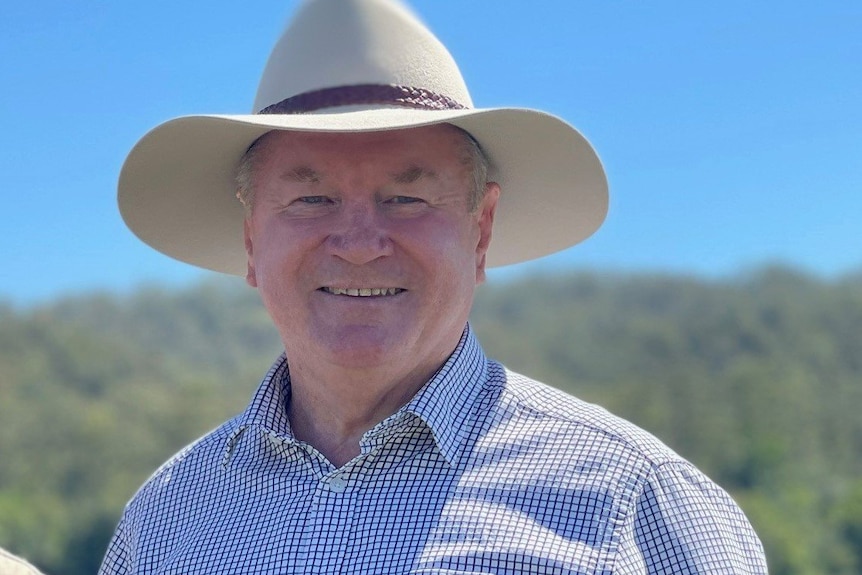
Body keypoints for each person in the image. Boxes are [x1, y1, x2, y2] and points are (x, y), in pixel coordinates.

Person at [100, 0, 767, 573]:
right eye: (310, 199)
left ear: (481, 231)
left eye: (406, 198)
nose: (359, 243)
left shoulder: (636, 503)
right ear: (251, 241)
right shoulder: (162, 520)